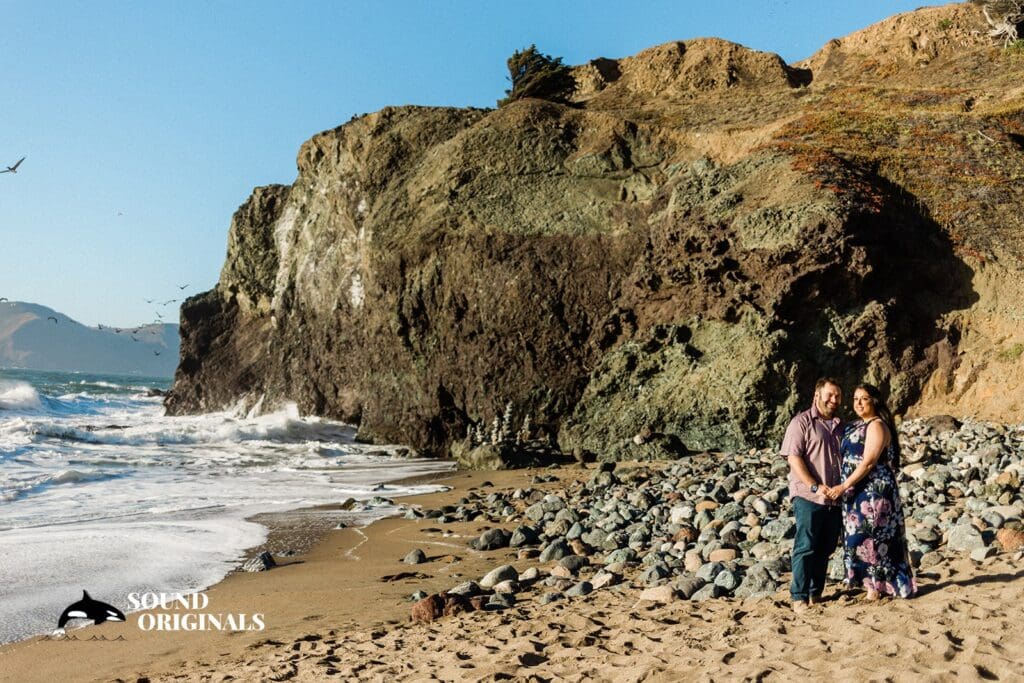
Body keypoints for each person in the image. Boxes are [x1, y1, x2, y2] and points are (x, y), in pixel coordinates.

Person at [828, 383, 916, 599]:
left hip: (873, 491)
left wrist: (843, 486)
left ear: (873, 401)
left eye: (864, 399)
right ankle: (871, 585)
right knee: (859, 537)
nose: (858, 403)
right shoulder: (857, 425)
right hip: (856, 491)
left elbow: (868, 463)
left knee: (873, 537)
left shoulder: (876, 425)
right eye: (855, 398)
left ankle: (877, 587)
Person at [780, 377, 844, 613]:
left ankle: (815, 593)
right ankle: (799, 597)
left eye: (837, 396)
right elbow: (793, 457)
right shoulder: (801, 422)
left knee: (826, 547)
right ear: (817, 395)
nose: (834, 400)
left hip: (834, 497)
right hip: (808, 496)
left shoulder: (840, 425)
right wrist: (814, 485)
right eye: (829, 395)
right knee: (806, 545)